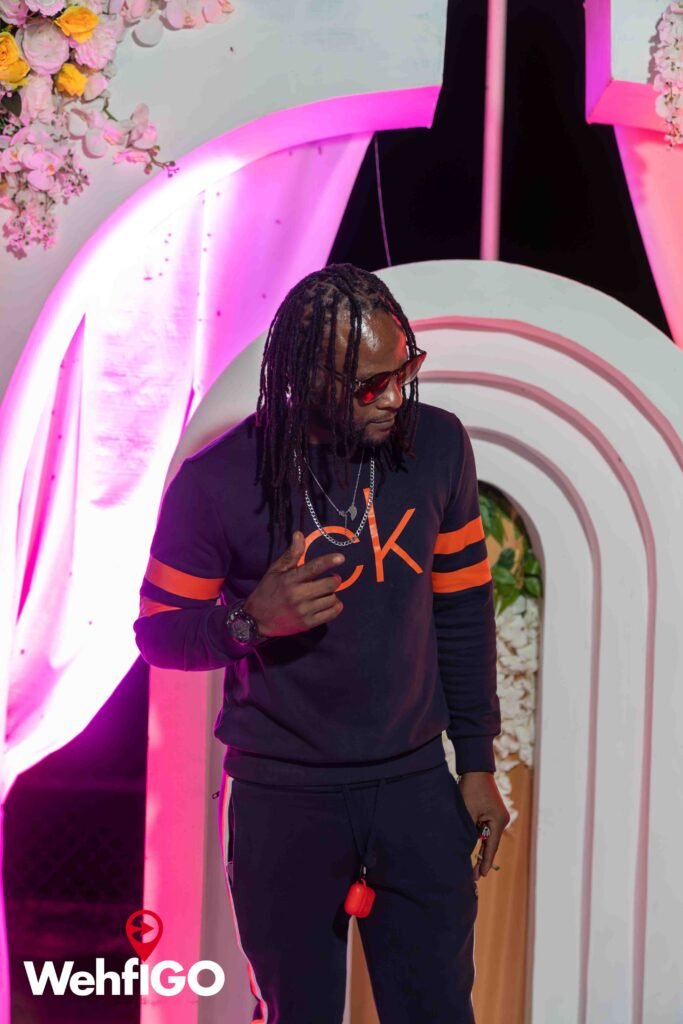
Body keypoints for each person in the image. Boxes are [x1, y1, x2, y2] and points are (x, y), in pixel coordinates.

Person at [134, 263, 510, 1023]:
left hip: (413, 784)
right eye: (372, 386)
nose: (397, 397)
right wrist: (249, 621)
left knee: (438, 1010)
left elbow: (463, 608)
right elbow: (160, 635)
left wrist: (475, 763)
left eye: (406, 370)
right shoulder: (218, 483)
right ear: (308, 379)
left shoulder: (436, 445)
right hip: (282, 798)